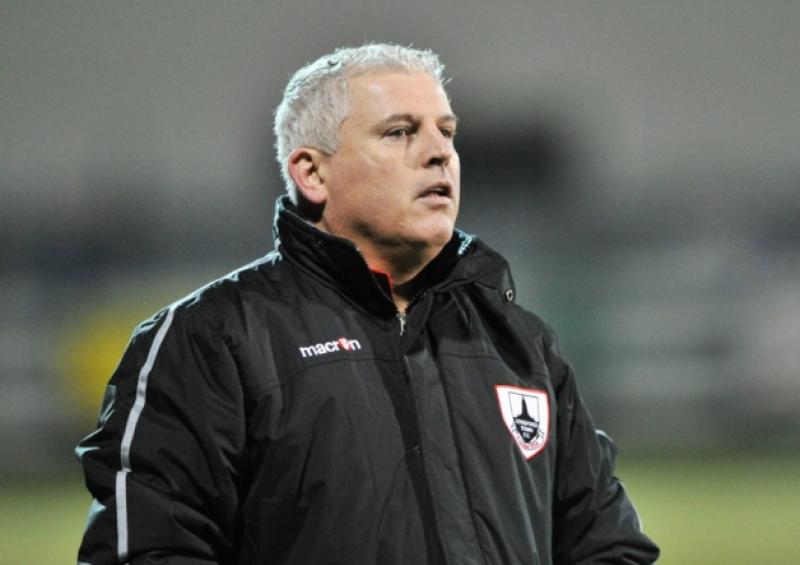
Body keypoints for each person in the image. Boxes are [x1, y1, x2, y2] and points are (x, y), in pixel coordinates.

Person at [76, 43, 659, 564]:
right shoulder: (213, 339)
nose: (439, 154)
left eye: (447, 132)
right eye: (400, 131)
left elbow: (606, 545)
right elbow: (148, 550)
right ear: (312, 173)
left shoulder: (522, 345)